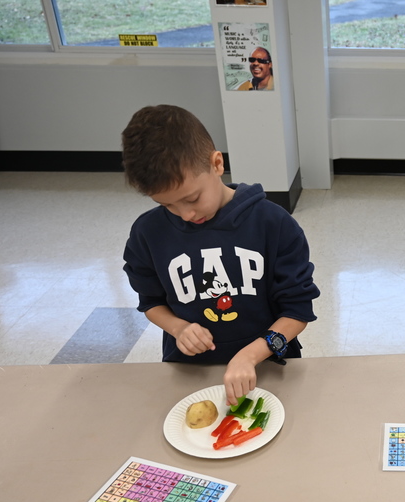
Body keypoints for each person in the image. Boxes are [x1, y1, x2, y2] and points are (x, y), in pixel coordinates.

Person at [121, 105, 318, 406]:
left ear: (216, 164)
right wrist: (178, 328)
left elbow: (297, 312)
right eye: (168, 205)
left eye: (192, 198)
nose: (185, 214)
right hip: (189, 370)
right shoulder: (148, 233)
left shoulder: (273, 224)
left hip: (268, 365)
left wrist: (251, 355)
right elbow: (151, 302)